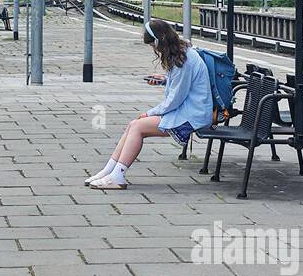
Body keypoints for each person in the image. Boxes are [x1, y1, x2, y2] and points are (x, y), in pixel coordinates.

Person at [86, 19, 215, 190]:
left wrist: (150, 113)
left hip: (193, 116)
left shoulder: (184, 61)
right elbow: (182, 86)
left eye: (152, 44)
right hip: (189, 111)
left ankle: (117, 176)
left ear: (159, 40)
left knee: (138, 127)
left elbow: (175, 99)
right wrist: (165, 80)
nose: (154, 49)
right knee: (134, 125)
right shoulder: (184, 52)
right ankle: (109, 171)